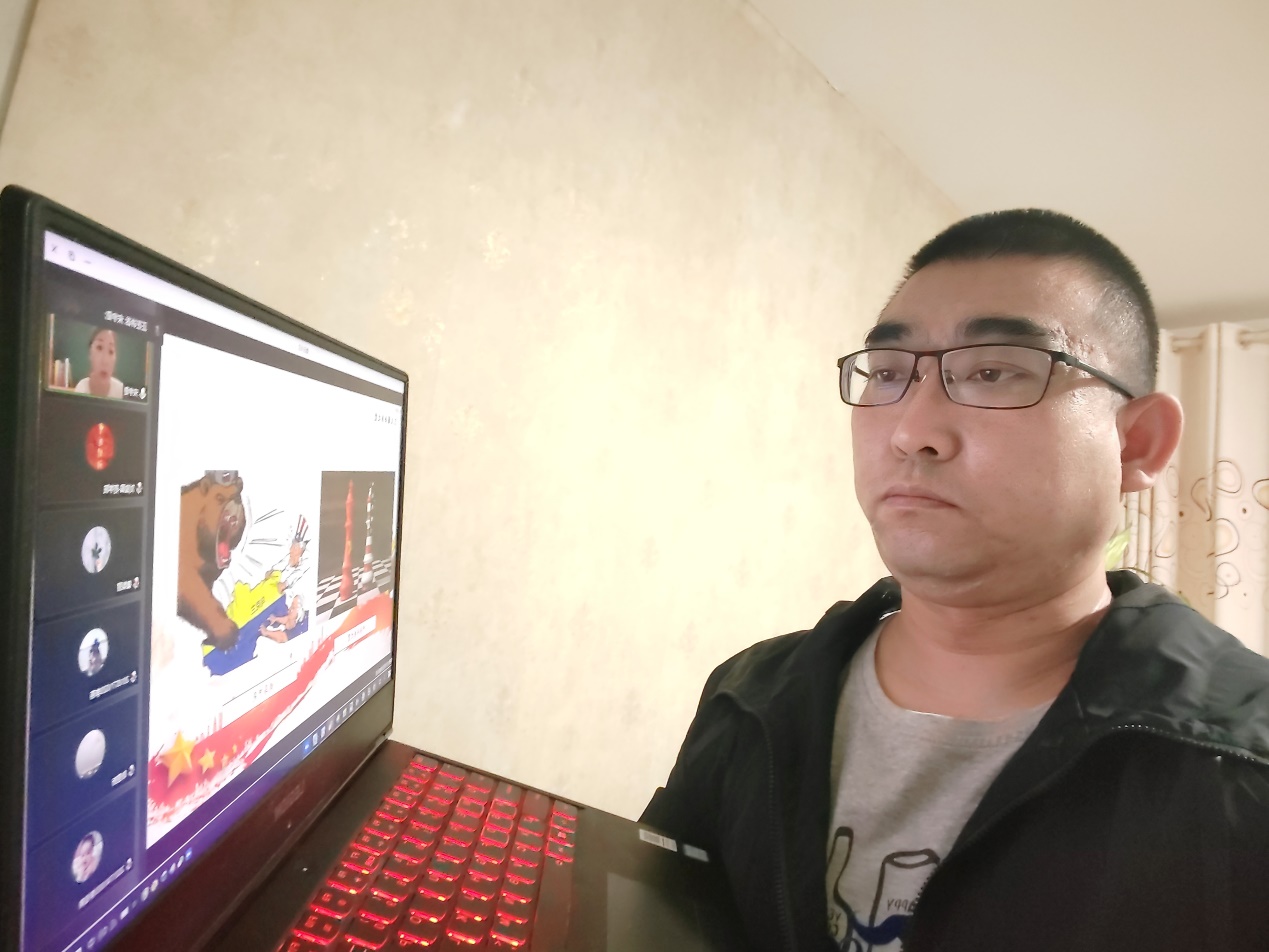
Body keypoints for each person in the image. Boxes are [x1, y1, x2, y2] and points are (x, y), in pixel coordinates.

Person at [641, 210, 1269, 952]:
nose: (912, 431)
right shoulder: (749, 695)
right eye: (886, 373)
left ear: (1135, 443)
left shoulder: (1242, 764)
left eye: (992, 372)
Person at [74, 326, 125, 398]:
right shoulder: (81, 388)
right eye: (99, 348)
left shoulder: (121, 391)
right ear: (90, 353)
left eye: (111, 351)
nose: (105, 361)